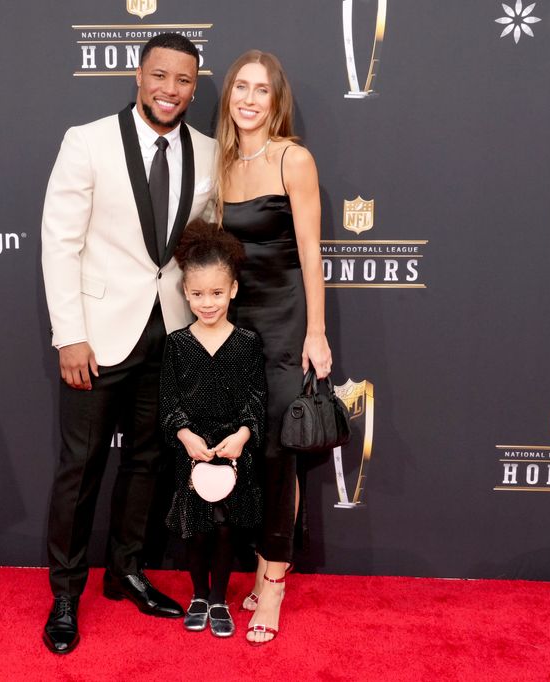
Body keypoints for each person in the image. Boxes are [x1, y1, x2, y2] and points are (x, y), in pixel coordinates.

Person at [40, 33, 217, 654]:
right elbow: (59, 242)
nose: (171, 90)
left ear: (196, 86)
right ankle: (65, 594)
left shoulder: (209, 152)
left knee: (149, 463)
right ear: (138, 76)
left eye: (185, 81)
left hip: (169, 338)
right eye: (161, 76)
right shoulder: (86, 141)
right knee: (81, 468)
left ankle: (126, 571)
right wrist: (71, 336)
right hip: (96, 338)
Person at [215, 50, 333, 645]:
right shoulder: (221, 162)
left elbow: (311, 253)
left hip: (286, 323)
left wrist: (316, 330)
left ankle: (275, 580)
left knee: (281, 452)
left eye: (262, 90)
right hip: (234, 326)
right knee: (248, 449)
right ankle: (261, 563)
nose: (250, 99)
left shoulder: (294, 159)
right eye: (241, 87)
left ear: (276, 100)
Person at [161, 220, 265, 639]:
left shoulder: (246, 342)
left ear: (233, 290)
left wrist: (242, 436)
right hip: (192, 452)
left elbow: (256, 397)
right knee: (197, 528)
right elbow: (169, 401)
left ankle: (220, 597)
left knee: (224, 527)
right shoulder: (176, 344)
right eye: (199, 294)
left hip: (233, 452)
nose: (208, 303)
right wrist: (185, 436)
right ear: (185, 292)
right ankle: (199, 595)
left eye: (217, 293)